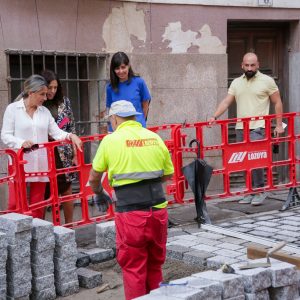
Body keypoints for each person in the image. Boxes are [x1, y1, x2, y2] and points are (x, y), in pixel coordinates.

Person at [88, 100, 174, 300]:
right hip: (158, 212)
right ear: (134, 116)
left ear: (115, 118)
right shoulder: (154, 137)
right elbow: (167, 174)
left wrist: (99, 192)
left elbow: (93, 177)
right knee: (155, 265)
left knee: (134, 268)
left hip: (131, 215)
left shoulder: (111, 140)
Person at [1, 74, 82, 219]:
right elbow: (5, 136)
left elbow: (56, 133)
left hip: (41, 163)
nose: (46, 97)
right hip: (19, 164)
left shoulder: (44, 112)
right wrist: (21, 143)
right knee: (15, 204)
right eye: (42, 94)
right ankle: (15, 238)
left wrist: (71, 136)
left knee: (38, 205)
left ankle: (36, 237)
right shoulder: (12, 109)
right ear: (31, 93)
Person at [209, 52, 284, 206]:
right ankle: (250, 191)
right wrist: (214, 116)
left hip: (259, 127)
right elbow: (226, 102)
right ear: (242, 65)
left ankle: (260, 190)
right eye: (247, 65)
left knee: (256, 161)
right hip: (240, 128)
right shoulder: (236, 82)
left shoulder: (267, 81)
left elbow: (277, 102)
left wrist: (278, 124)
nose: (250, 68)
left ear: (258, 65)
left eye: (253, 65)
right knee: (244, 161)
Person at [41, 69, 76, 224]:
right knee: (42, 192)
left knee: (66, 188)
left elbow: (71, 126)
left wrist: (75, 153)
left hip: (63, 152)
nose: (53, 91)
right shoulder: (38, 103)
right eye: (50, 87)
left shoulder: (64, 101)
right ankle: (42, 228)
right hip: (43, 153)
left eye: (55, 87)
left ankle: (69, 226)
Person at [106, 51, 151, 130]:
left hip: (137, 128)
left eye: (123, 67)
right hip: (118, 131)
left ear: (128, 66)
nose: (121, 71)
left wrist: (141, 121)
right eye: (117, 68)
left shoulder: (139, 82)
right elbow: (110, 110)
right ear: (113, 70)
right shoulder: (110, 87)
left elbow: (145, 105)